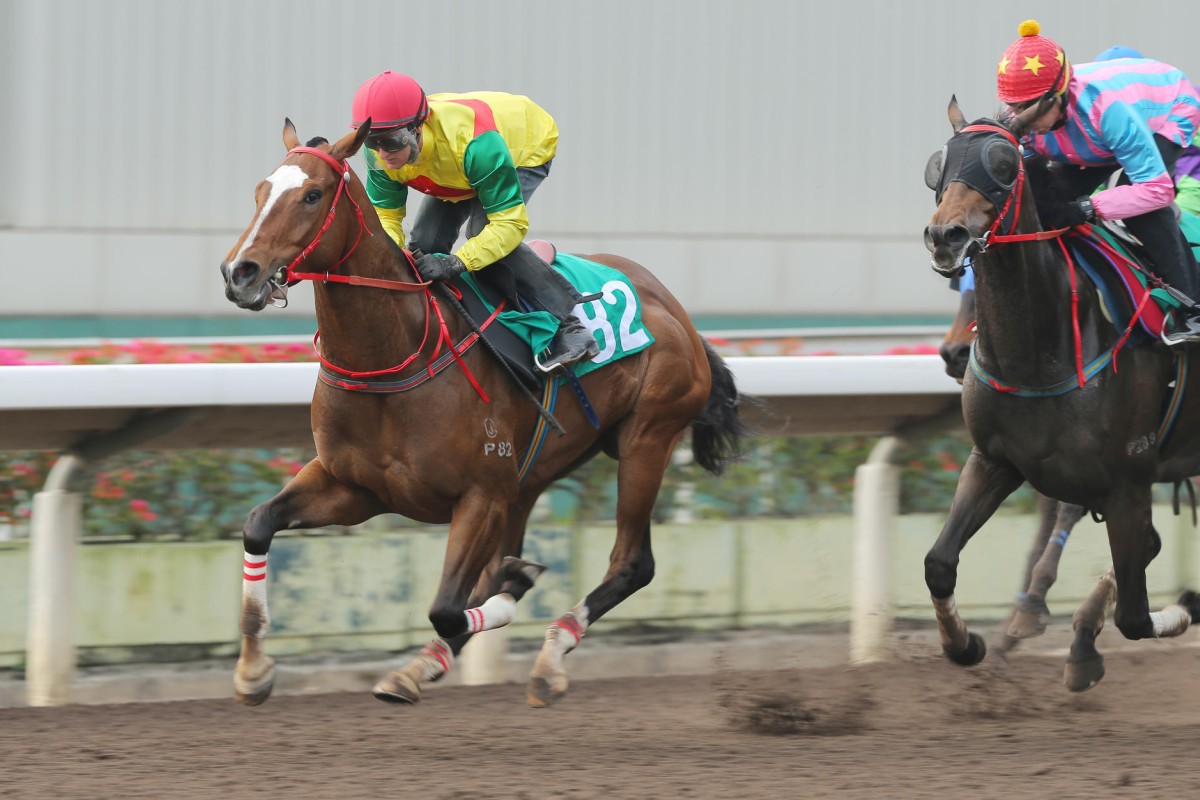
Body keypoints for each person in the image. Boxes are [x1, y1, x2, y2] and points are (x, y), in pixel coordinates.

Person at [349, 71, 599, 371]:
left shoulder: (477, 145)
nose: (381, 153)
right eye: (372, 142)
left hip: (522, 145)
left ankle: (571, 327)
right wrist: (393, 252)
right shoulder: (379, 152)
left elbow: (510, 225)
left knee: (482, 234)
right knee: (423, 247)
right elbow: (386, 216)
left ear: (417, 128)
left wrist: (457, 263)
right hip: (453, 165)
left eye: (390, 142)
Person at [996, 20, 1200, 345]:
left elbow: (1157, 191)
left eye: (1031, 107)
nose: (1023, 119)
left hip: (1168, 108)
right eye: (1016, 107)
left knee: (1139, 208)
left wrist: (1088, 208)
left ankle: (1194, 305)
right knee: (1053, 202)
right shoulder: (1021, 117)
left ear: (1059, 94)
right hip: (1100, 136)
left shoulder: (1108, 111)